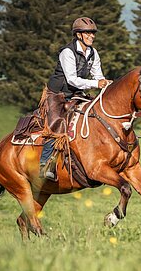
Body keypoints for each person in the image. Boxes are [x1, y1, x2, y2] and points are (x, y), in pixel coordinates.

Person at [39, 17, 111, 180]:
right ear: (78, 35)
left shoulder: (93, 53)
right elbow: (72, 79)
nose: (92, 36)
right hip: (58, 94)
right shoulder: (67, 52)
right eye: (88, 33)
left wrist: (105, 83)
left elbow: (98, 75)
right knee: (57, 123)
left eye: (93, 33)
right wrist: (96, 83)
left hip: (76, 94)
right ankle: (45, 165)